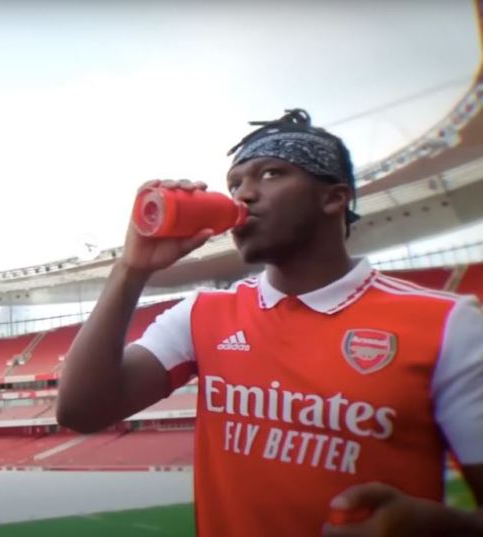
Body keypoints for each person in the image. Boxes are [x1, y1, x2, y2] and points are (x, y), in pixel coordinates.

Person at [56, 109, 483, 536]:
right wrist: (131, 269)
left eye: (272, 174)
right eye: (235, 184)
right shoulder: (202, 313)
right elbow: (82, 410)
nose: (243, 196)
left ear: (334, 198)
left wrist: (439, 528)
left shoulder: (447, 325)